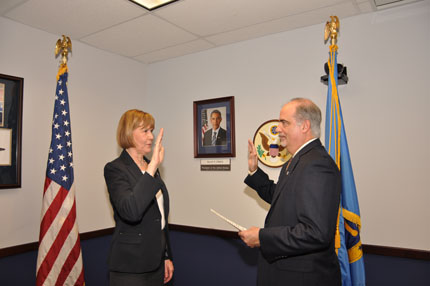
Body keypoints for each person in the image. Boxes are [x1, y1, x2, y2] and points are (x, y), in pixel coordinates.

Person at [239, 98, 341, 286]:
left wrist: (262, 237)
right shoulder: (297, 161)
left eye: (284, 122)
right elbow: (280, 197)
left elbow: (316, 233)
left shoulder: (317, 164)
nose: (278, 128)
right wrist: (254, 171)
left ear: (305, 126)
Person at [104, 109, 174, 286]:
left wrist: (165, 255)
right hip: (130, 268)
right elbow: (131, 211)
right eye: (145, 131)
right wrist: (151, 169)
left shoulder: (152, 168)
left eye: (152, 130)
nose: (151, 137)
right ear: (128, 132)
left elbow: (159, 217)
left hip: (156, 264)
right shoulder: (115, 169)